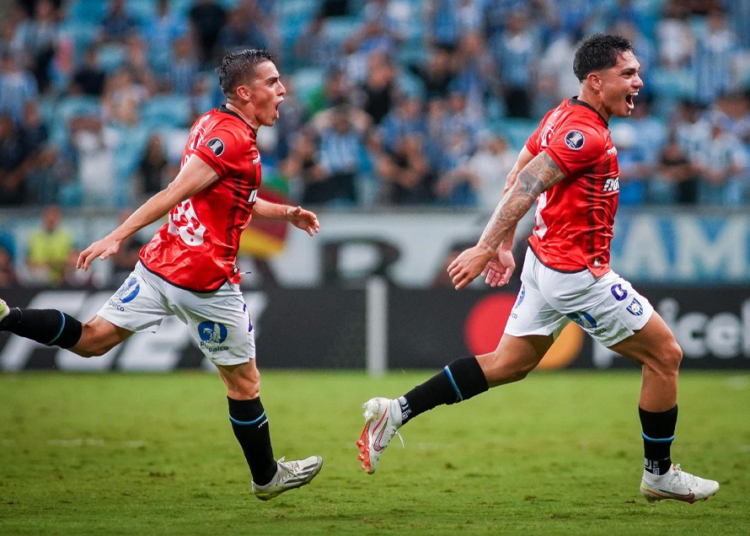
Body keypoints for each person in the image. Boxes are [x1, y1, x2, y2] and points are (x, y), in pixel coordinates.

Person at [357, 34, 719, 505]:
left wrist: (506, 244)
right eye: (628, 74)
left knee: (508, 364)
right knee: (665, 356)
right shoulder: (583, 133)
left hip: (544, 263)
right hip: (577, 276)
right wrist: (487, 247)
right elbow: (526, 184)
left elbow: (517, 174)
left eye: (637, 72)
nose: (639, 82)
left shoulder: (561, 113)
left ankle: (396, 411)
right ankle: (659, 473)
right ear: (596, 81)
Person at [0, 49, 323, 501]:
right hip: (206, 285)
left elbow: (232, 196)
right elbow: (173, 192)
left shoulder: (211, 123)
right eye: (272, 82)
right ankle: (266, 477)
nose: (283, 89)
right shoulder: (230, 140)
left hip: (160, 267)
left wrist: (285, 212)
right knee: (244, 384)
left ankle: (7, 317)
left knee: (92, 340)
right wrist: (118, 235)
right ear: (246, 93)